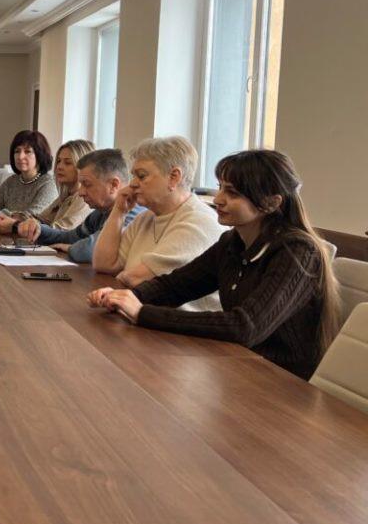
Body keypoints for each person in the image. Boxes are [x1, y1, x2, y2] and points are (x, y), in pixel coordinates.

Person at [88, 150, 340, 380]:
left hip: (281, 381)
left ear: (272, 202)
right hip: (237, 365)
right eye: (220, 188)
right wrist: (128, 297)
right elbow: (176, 285)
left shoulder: (298, 251)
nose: (218, 199)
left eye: (233, 193)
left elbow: (245, 327)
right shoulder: (232, 242)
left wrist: (143, 313)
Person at [91, 135, 224, 310]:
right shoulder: (145, 218)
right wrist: (119, 211)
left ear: (174, 177)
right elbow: (103, 264)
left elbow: (138, 280)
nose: (133, 184)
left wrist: (123, 277)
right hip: (146, 315)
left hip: (179, 324)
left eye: (141, 176)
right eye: (133, 176)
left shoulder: (199, 222)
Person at [11, 149, 144, 263]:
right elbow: (69, 237)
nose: (81, 192)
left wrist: (70, 248)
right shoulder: (99, 213)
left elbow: (89, 251)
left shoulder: (131, 212)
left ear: (113, 185)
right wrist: (38, 229)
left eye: (87, 184)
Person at [0, 139, 95, 235]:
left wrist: (15, 226)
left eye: (68, 163)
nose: (59, 166)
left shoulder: (84, 198)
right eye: (59, 161)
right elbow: (41, 219)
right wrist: (14, 218)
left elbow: (61, 231)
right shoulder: (65, 196)